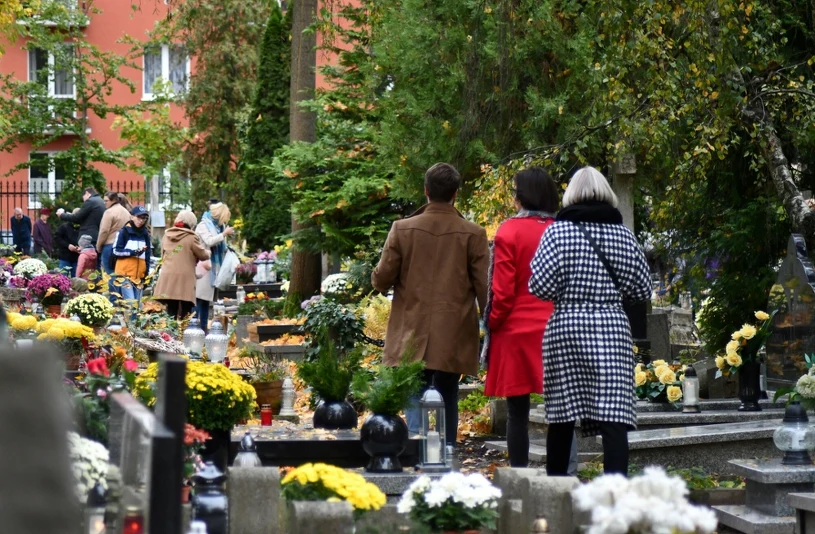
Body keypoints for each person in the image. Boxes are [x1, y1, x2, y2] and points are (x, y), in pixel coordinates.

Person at [529, 166, 651, 477]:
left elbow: (540, 287)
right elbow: (641, 289)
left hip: (566, 327)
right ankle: (614, 494)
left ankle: (556, 491)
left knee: (562, 414)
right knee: (614, 417)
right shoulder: (623, 235)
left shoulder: (557, 232)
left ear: (570, 195)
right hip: (612, 326)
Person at [371, 162, 490, 450]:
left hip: (411, 324)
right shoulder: (473, 233)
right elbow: (484, 287)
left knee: (413, 386)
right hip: (454, 326)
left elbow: (381, 280)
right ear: (455, 194)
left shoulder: (402, 229)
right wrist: (490, 323)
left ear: (426, 191)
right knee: (448, 387)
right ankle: (446, 450)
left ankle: (416, 445)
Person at [481, 167, 558, 467]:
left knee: (517, 413)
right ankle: (563, 473)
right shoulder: (562, 229)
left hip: (515, 329)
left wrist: (493, 324)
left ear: (522, 196)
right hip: (556, 327)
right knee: (562, 410)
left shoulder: (509, 231)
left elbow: (502, 291)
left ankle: (519, 475)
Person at [154, 211, 211, 319]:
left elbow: (162, 255)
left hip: (168, 278)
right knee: (186, 311)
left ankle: (171, 334)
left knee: (171, 311)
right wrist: (208, 253)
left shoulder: (166, 235)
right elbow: (202, 255)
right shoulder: (191, 237)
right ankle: (183, 334)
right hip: (185, 279)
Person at [195, 202, 234, 332]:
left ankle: (204, 328)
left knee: (207, 301)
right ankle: (193, 328)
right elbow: (210, 241)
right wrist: (224, 234)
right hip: (203, 266)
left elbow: (221, 245)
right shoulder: (203, 225)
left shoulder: (218, 227)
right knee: (199, 299)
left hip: (213, 267)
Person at [111, 206, 152, 316]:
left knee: (138, 306)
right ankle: (131, 331)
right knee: (131, 304)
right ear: (131, 217)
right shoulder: (124, 232)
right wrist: (132, 252)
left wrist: (146, 275)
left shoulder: (145, 234)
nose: (141, 220)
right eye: (139, 217)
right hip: (125, 274)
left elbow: (147, 255)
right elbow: (115, 251)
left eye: (144, 218)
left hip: (139, 275)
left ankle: (134, 331)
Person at [96, 192, 131, 274]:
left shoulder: (109, 212)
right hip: (123, 246)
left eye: (106, 201)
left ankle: (112, 287)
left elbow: (104, 231)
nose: (104, 203)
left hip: (110, 245)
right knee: (121, 274)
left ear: (114, 200)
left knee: (110, 274)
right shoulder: (126, 212)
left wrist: (99, 246)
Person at [54, 209, 80, 277]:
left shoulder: (83, 227)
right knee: (62, 278)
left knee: (76, 279)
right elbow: (57, 238)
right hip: (65, 256)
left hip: (77, 257)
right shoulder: (64, 227)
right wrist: (68, 245)